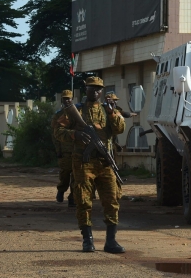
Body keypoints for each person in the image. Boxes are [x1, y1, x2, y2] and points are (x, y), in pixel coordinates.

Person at [54, 76, 126, 253]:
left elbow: (120, 129)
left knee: (112, 200)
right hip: (83, 162)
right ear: (85, 89)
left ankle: (111, 241)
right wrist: (75, 135)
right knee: (83, 200)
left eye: (99, 89)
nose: (96, 91)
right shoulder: (75, 110)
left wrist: (112, 113)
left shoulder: (107, 110)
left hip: (105, 162)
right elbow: (58, 130)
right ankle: (87, 240)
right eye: (92, 88)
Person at [51, 90, 76, 207]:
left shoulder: (78, 114)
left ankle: (73, 198)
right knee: (65, 174)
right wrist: (58, 150)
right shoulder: (58, 115)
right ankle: (61, 190)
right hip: (64, 150)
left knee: (76, 176)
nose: (67, 100)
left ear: (72, 99)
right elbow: (55, 134)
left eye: (69, 98)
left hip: (77, 150)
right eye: (65, 99)